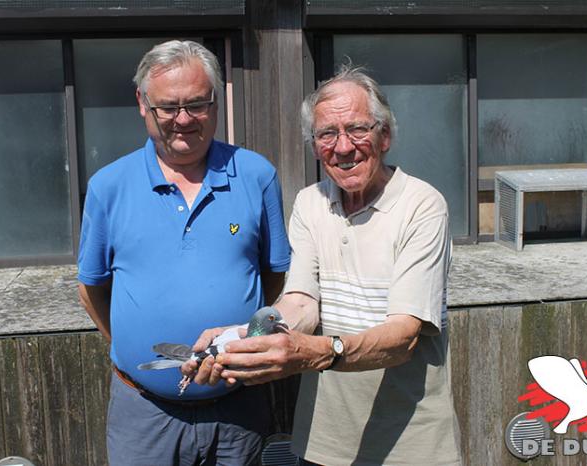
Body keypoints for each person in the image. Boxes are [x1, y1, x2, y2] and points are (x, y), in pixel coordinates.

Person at [184, 66, 463, 465]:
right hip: (324, 441)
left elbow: (404, 337)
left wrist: (320, 351)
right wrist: (242, 335)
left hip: (411, 443)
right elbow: (301, 302)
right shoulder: (311, 202)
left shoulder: (422, 205)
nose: (343, 147)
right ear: (315, 147)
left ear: (385, 137)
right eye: (327, 134)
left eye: (357, 129)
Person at [77, 39, 291, 466]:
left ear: (216, 102)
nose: (182, 120)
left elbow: (273, 279)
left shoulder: (256, 175)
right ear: (142, 102)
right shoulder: (108, 186)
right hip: (144, 414)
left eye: (197, 104)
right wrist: (132, 350)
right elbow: (92, 289)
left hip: (238, 407)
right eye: (167, 107)